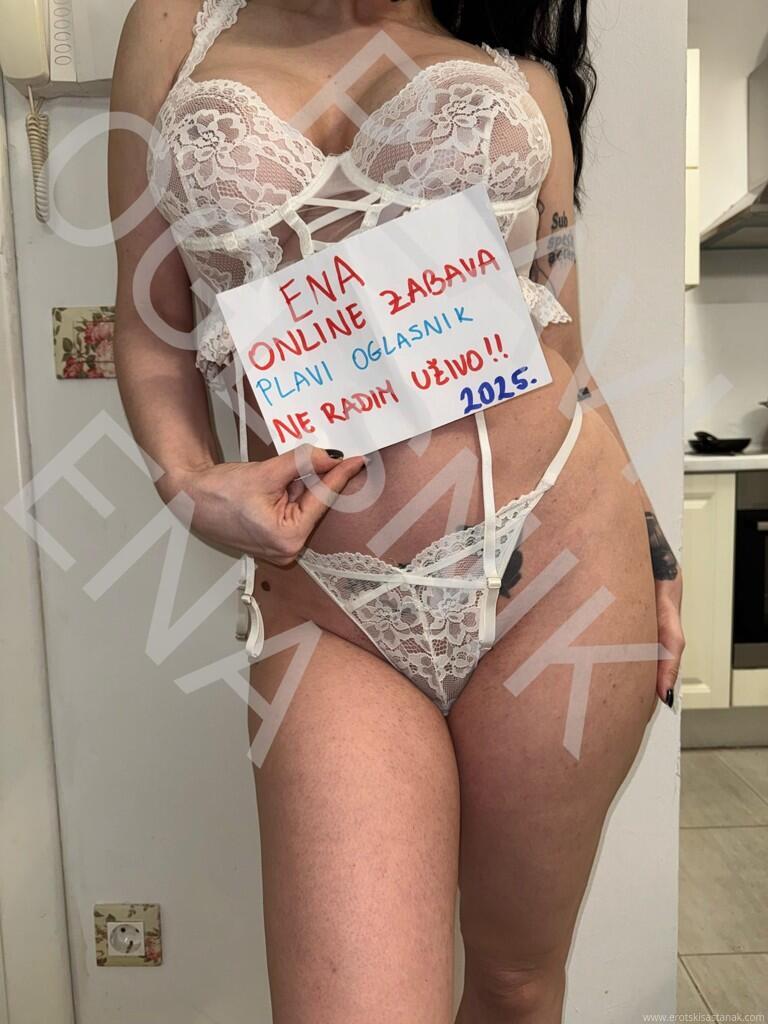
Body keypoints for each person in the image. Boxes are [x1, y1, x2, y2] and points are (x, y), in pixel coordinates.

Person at [109, 0, 685, 1020]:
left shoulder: (504, 45)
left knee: (516, 986)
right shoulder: (177, 22)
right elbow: (150, 324)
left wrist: (648, 537)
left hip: (558, 565)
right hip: (328, 603)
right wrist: (189, 482)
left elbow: (558, 337)